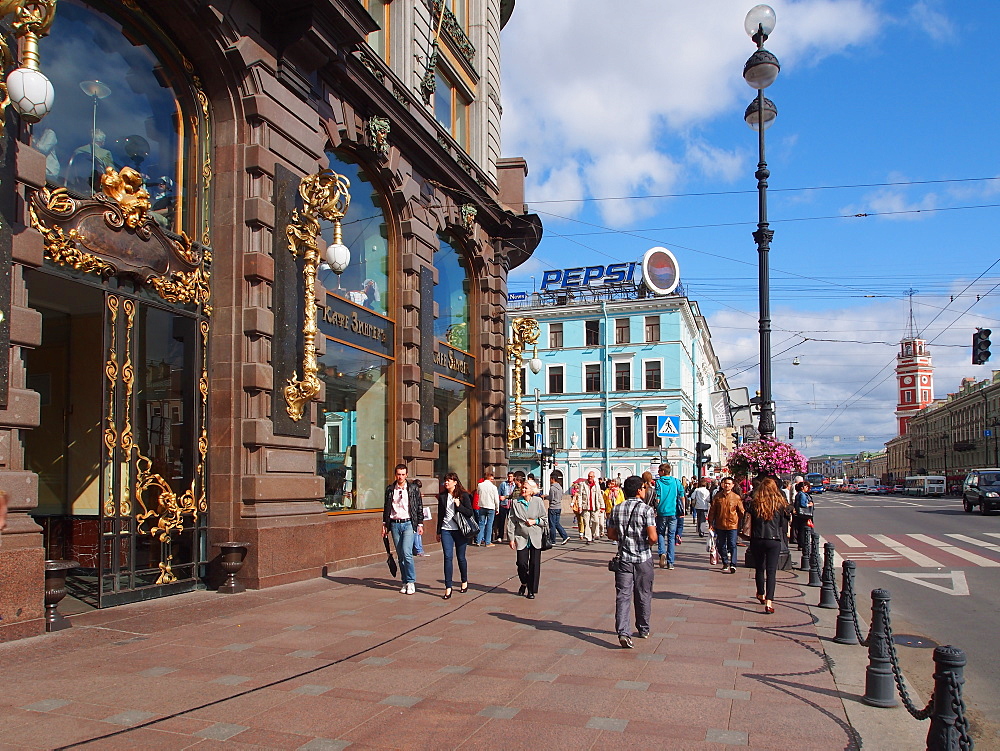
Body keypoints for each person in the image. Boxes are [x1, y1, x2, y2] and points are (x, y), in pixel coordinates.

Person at [607, 476, 658, 649]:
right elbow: (652, 537)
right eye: (643, 488)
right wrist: (646, 543)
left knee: (623, 596)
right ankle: (643, 628)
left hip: (624, 559)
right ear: (639, 490)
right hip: (643, 558)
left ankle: (623, 632)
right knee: (643, 593)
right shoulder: (646, 510)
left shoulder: (617, 508)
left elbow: (611, 535)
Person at [748, 476, 792, 614]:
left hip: (757, 538)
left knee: (759, 568)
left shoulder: (755, 503)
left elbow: (747, 514)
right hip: (774, 540)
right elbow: (783, 523)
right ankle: (769, 601)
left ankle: (760, 593)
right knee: (771, 572)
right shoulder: (779, 504)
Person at [382, 463, 424, 595]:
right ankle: (404, 581)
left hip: (408, 523)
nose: (400, 477)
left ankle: (411, 581)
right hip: (395, 524)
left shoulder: (412, 488)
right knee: (400, 555)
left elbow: (419, 506)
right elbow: (387, 508)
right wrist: (385, 525)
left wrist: (420, 524)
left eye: (403, 474)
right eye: (398, 474)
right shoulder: (390, 489)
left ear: (406, 475)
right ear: (396, 475)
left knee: (407, 553)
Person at [507, 477, 548, 599]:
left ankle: (531, 590)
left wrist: (535, 521)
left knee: (534, 565)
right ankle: (524, 582)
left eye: (526, 488)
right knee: (521, 563)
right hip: (521, 537)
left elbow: (545, 520)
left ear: (532, 491)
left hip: (535, 536)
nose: (523, 489)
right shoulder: (516, 502)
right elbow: (511, 521)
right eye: (522, 487)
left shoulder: (538, 501)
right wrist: (511, 538)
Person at [437, 472, 475, 599]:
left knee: (461, 557)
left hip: (460, 530)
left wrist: (459, 506)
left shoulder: (464, 495)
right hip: (446, 529)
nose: (446, 482)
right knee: (447, 557)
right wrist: (438, 531)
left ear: (455, 482)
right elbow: (440, 515)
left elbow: (470, 513)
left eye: (449, 480)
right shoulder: (442, 496)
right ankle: (448, 587)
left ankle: (464, 581)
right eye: (445, 480)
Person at [708, 476, 745, 574]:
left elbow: (741, 511)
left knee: (732, 544)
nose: (727, 485)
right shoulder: (718, 496)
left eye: (729, 483)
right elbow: (712, 511)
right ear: (722, 484)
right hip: (720, 524)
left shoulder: (736, 497)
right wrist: (711, 523)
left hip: (732, 525)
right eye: (725, 483)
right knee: (720, 545)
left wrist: (739, 521)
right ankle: (725, 561)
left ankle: (733, 564)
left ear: (732, 485)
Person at [652, 463, 683, 569]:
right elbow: (681, 495)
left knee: (660, 533)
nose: (658, 473)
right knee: (671, 536)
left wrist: (656, 508)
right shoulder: (676, 482)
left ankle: (662, 553)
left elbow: (657, 498)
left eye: (659, 471)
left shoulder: (659, 482)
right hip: (673, 512)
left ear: (663, 472)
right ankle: (671, 562)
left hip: (661, 512)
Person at [573, 471, 603, 543]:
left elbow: (599, 496)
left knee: (595, 521)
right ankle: (588, 538)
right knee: (586, 522)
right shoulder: (583, 484)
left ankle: (593, 534)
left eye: (591, 476)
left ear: (594, 477)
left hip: (595, 507)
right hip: (586, 506)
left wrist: (602, 506)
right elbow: (580, 495)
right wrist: (580, 506)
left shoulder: (596, 485)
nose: (589, 478)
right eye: (589, 476)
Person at [476, 470, 499, 547]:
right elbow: (496, 499)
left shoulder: (480, 485)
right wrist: (497, 508)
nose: (493, 480)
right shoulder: (493, 487)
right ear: (489, 478)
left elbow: (478, 493)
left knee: (481, 524)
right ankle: (487, 542)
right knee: (489, 524)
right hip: (491, 507)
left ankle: (478, 541)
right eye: (492, 479)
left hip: (482, 506)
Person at [546, 475, 570, 545]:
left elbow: (551, 498)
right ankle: (565, 536)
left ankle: (553, 540)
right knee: (556, 523)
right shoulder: (560, 487)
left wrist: (546, 497)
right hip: (558, 507)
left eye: (550, 479)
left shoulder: (552, 488)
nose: (550, 480)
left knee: (552, 525)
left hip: (553, 507)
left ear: (553, 479)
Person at [411, 479, 431, 557]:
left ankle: (418, 549)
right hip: (414, 517)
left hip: (416, 516)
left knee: (417, 533)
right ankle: (419, 550)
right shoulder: (412, 492)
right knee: (417, 534)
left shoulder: (414, 492)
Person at [791, 481, 814, 545]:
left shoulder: (798, 494)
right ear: (802, 487)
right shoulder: (802, 494)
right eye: (806, 486)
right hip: (804, 514)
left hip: (799, 514)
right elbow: (803, 504)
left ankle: (800, 543)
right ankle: (802, 543)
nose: (807, 488)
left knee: (800, 529)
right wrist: (809, 505)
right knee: (803, 529)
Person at [495, 471, 516, 543]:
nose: (510, 478)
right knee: (501, 522)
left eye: (511, 476)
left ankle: (510, 537)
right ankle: (500, 536)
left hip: (511, 506)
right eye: (509, 476)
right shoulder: (503, 484)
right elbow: (499, 494)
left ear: (513, 477)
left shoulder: (515, 485)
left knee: (511, 523)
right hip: (503, 505)